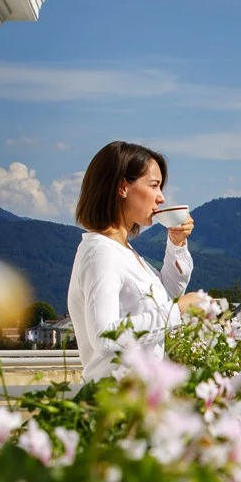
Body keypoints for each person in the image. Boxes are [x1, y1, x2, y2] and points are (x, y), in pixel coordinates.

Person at [67, 140, 196, 381]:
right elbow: (105, 337)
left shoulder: (123, 252)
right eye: (155, 186)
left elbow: (165, 293)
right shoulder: (101, 253)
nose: (161, 198)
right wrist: (177, 311)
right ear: (123, 187)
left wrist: (176, 243)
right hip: (115, 402)